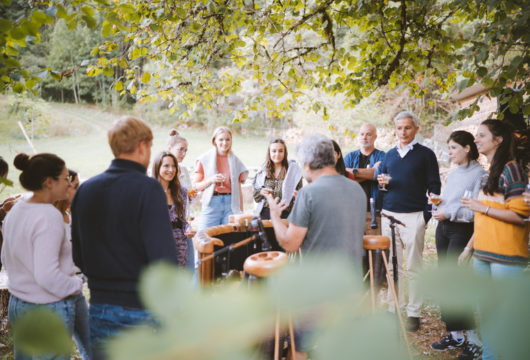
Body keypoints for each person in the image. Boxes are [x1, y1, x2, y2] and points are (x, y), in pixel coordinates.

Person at [71, 116, 178, 359]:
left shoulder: (85, 190)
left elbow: (78, 256)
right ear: (142, 145)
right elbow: (164, 261)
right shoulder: (148, 189)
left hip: (99, 308)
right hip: (141, 309)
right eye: (150, 147)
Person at [265, 134, 366, 360]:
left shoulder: (309, 193)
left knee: (300, 347)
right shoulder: (357, 190)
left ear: (308, 165)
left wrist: (274, 216)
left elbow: (290, 243)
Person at [2, 153, 90, 360]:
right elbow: (47, 276)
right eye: (65, 178)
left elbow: (6, 259)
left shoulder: (16, 210)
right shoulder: (49, 216)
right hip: (48, 307)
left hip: (19, 304)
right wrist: (77, 284)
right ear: (49, 182)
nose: (69, 184)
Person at [459, 119, 529, 360]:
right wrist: (469, 248)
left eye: (481, 135)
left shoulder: (513, 170)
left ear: (498, 140)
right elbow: (482, 217)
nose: (476, 139)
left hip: (506, 258)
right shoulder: (488, 174)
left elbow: (520, 216)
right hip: (483, 256)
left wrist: (483, 208)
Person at [376, 111, 441, 332]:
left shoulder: (426, 154)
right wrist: (381, 184)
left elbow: (435, 186)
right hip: (388, 214)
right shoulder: (388, 155)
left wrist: (425, 215)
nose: (403, 132)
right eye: (399, 128)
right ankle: (394, 307)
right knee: (393, 267)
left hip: (414, 216)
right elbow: (382, 183)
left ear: (416, 129)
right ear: (395, 129)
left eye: (407, 128)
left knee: (413, 266)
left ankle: (413, 312)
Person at [429, 131, 486, 360]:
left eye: (453, 148)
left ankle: (474, 340)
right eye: (449, 148)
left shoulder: (480, 175)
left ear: (467, 148)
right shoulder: (453, 175)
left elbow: (473, 210)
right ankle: (455, 334)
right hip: (443, 229)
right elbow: (450, 201)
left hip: (461, 231)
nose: (450, 153)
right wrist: (438, 203)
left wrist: (448, 211)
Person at [194, 126, 248, 230]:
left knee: (229, 239)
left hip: (231, 204)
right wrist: (211, 180)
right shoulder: (204, 159)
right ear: (214, 141)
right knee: (205, 236)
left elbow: (238, 189)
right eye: (221, 139)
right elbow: (195, 187)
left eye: (228, 139)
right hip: (212, 203)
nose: (225, 143)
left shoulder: (236, 161)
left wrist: (240, 211)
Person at [152, 151, 196, 267]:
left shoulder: (181, 192)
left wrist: (188, 228)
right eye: (166, 166)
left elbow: (182, 221)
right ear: (157, 167)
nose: (171, 170)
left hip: (180, 249)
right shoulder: (149, 192)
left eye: (174, 166)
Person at [344, 123, 386, 234]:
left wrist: (352, 172)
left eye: (368, 134)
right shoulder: (350, 157)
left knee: (376, 249)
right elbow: (343, 179)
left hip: (374, 213)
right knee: (353, 250)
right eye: (362, 134)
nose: (364, 137)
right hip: (352, 213)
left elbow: (380, 175)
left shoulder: (382, 156)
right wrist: (371, 173)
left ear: (375, 137)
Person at [253, 137, 302, 219]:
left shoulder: (293, 171)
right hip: (265, 214)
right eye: (274, 151)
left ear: (285, 152)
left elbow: (300, 195)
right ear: (269, 153)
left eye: (280, 151)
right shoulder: (262, 171)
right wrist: (261, 192)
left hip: (285, 214)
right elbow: (256, 197)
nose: (277, 154)